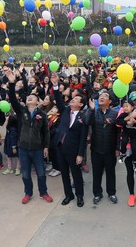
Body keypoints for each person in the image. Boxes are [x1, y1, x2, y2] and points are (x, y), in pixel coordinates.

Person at [6, 70, 52, 204]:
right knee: (25, 174)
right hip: (23, 148)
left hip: (38, 149)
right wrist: (11, 83)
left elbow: (46, 132)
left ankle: (43, 192)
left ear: (38, 103)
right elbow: (12, 98)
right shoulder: (21, 111)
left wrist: (46, 147)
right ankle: (28, 193)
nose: (29, 98)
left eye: (33, 97)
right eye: (28, 97)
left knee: (41, 173)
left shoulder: (42, 115)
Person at [52, 73, 88, 207]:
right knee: (64, 174)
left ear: (81, 104)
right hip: (60, 148)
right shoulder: (65, 110)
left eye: (76, 99)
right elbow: (58, 100)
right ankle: (68, 195)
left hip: (73, 151)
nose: (73, 100)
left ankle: (79, 196)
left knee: (76, 174)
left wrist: (80, 154)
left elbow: (83, 137)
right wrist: (55, 86)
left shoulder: (83, 117)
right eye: (73, 98)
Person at [86, 89, 120, 205]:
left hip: (110, 150)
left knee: (110, 172)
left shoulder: (115, 114)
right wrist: (91, 110)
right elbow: (87, 122)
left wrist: (117, 148)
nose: (101, 97)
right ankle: (97, 193)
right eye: (101, 96)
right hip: (96, 149)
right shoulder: (94, 112)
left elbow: (118, 132)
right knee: (97, 173)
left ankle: (111, 193)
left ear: (110, 101)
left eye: (105, 96)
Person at [117, 91, 136, 207]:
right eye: (134, 100)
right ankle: (131, 195)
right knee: (129, 172)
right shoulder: (123, 110)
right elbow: (118, 125)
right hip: (126, 146)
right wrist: (129, 117)